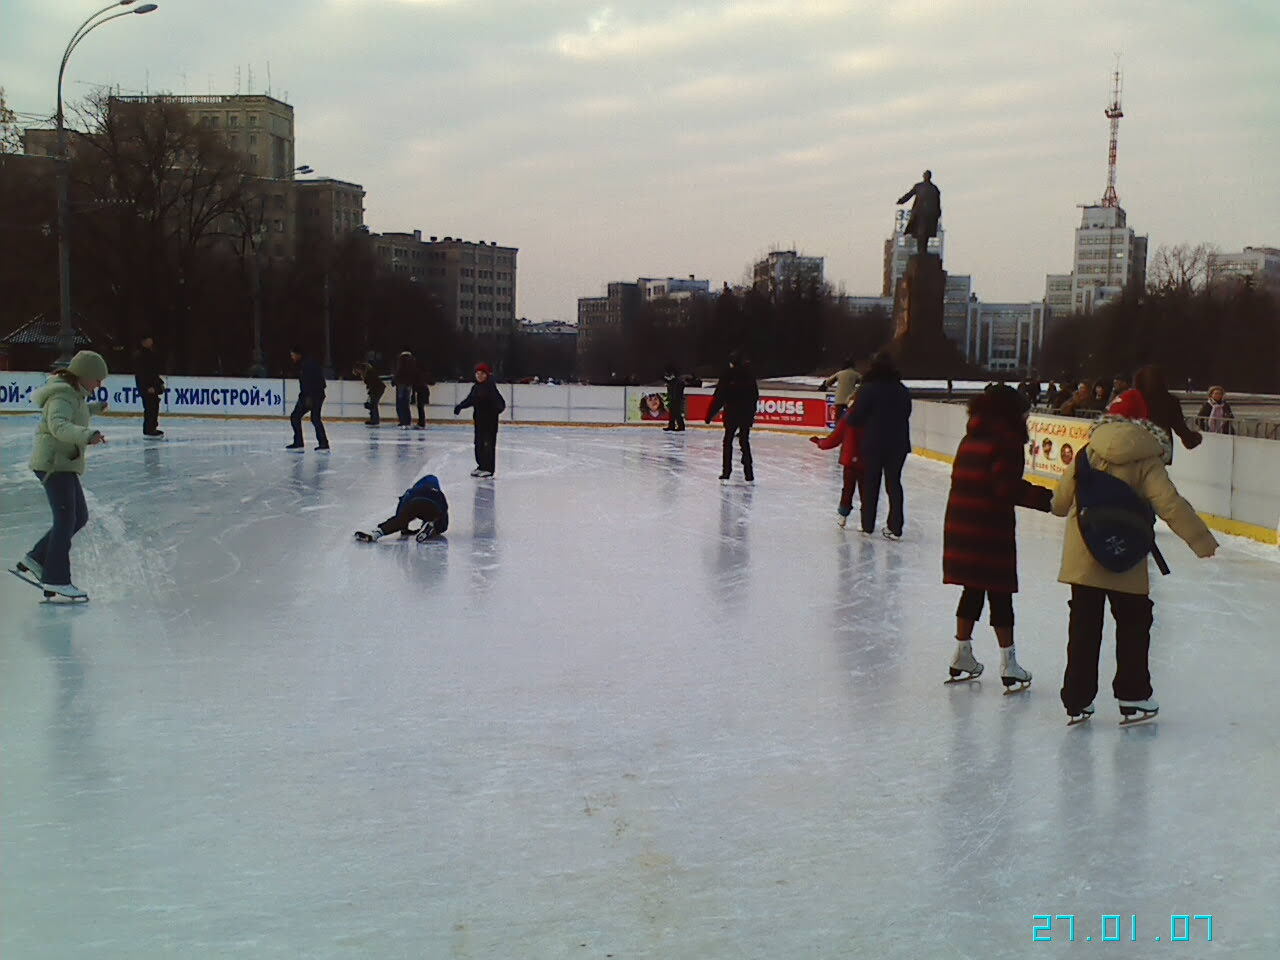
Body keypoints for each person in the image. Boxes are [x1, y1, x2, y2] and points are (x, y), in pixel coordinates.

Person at [1051, 412, 1218, 724]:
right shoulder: (1147, 459)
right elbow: (1169, 503)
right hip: (1125, 558)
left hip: (1084, 553)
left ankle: (1076, 700)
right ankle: (1133, 695)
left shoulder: (1088, 451)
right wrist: (1200, 540)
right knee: (1133, 627)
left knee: (1083, 629)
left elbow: (1061, 502)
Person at [942, 385, 1052, 689]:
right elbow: (1006, 486)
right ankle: (1009, 663)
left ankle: (962, 654)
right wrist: (1048, 500)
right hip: (989, 526)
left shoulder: (971, 436)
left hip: (961, 523)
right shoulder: (1007, 441)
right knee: (1000, 593)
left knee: (973, 589)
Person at [13, 351, 110, 602]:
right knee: (67, 518)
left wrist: (94, 409)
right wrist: (87, 435)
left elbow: (74, 412)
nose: (99, 385)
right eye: (97, 379)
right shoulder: (62, 394)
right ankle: (57, 579)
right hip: (53, 464)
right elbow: (59, 425)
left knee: (78, 517)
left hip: (62, 463)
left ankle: (35, 558)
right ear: (85, 375)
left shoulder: (74, 394)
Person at [848, 352, 912, 539]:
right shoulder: (901, 389)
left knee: (870, 484)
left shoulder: (867, 389)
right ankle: (895, 526)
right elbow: (906, 413)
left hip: (873, 443)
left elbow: (856, 418)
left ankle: (867, 525)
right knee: (894, 484)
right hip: (898, 444)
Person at [1108, 364, 1203, 462]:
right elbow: (1179, 426)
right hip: (1161, 444)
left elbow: (1119, 418)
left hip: (1135, 444)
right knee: (1156, 473)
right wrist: (1191, 439)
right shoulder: (1170, 401)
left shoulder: (1132, 398)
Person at [809, 395, 863, 528]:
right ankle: (866, 521)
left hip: (851, 460)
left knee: (848, 489)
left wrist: (820, 442)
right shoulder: (875, 415)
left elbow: (835, 438)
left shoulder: (849, 415)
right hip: (870, 459)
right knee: (867, 490)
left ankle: (843, 515)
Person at [705, 353, 759, 482]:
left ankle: (726, 471)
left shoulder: (727, 375)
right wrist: (751, 413)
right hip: (745, 414)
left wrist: (709, 415)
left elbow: (719, 397)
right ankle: (749, 473)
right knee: (744, 441)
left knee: (728, 442)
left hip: (732, 414)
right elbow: (754, 396)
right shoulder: (749, 375)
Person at [354, 474, 449, 542]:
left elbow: (400, 513)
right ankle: (430, 525)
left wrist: (404, 528)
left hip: (413, 501)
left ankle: (376, 534)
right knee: (439, 522)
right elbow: (444, 511)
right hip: (434, 504)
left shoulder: (411, 491)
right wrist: (439, 525)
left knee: (400, 520)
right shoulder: (439, 494)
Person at [454, 362, 505, 477]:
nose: (479, 376)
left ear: (487, 375)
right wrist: (460, 406)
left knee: (488, 445)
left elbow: (501, 405)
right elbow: (470, 400)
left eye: (482, 374)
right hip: (479, 421)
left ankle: (489, 468)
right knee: (478, 444)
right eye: (477, 373)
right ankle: (481, 466)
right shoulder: (476, 387)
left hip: (489, 423)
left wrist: (492, 414)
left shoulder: (490, 388)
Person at [286, 346, 329, 451]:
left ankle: (301, 442)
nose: (292, 357)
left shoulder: (307, 365)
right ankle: (321, 443)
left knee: (298, 417)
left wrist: (309, 397)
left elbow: (314, 383)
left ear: (298, 354)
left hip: (312, 396)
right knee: (311, 418)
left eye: (293, 355)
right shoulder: (306, 364)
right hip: (312, 395)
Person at [896, 169, 941, 256]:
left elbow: (937, 202)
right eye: (925, 175)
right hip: (919, 213)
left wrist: (938, 212)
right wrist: (902, 200)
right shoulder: (919, 186)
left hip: (929, 214)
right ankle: (921, 251)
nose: (926, 176)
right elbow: (909, 194)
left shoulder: (934, 188)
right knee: (920, 232)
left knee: (926, 232)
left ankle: (923, 250)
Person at [134, 334, 165, 438]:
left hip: (152, 385)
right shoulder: (141, 356)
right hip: (147, 387)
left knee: (154, 406)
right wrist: (147, 387)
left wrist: (159, 383)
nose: (151, 342)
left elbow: (153, 372)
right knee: (150, 407)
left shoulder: (150, 354)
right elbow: (142, 373)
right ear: (143, 342)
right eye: (148, 340)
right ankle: (149, 429)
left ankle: (152, 427)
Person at [393, 351, 419, 428]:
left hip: (401, 384)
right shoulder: (412, 365)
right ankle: (407, 421)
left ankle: (402, 420)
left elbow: (398, 373)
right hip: (408, 384)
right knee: (406, 403)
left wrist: (394, 380)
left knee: (400, 403)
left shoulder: (401, 364)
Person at [355, 361, 385, 426]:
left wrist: (370, 392)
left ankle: (375, 420)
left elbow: (372, 384)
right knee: (373, 404)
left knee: (373, 405)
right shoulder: (368, 373)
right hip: (377, 389)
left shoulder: (369, 374)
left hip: (377, 389)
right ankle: (373, 419)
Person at [662, 365, 686, 432]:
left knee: (677, 413)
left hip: (677, 399)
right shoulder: (673, 382)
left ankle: (681, 426)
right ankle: (671, 426)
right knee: (672, 413)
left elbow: (678, 391)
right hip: (673, 399)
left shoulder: (679, 381)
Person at [413, 364, 431, 429]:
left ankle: (421, 423)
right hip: (424, 391)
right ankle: (421, 423)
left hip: (421, 391)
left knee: (420, 408)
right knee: (421, 408)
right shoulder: (425, 374)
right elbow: (432, 382)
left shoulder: (419, 374)